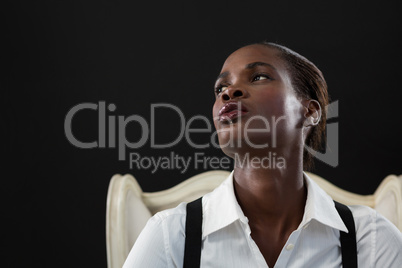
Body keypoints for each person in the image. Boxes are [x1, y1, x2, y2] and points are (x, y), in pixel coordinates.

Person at [123, 42, 402, 267]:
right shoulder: (171, 236)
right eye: (220, 88)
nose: (229, 93)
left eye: (258, 76)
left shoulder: (372, 241)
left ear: (310, 111)